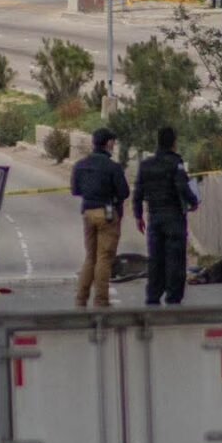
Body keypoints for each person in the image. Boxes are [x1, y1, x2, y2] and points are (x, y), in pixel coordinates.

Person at [133, 127, 199, 306]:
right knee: (175, 258)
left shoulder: (146, 165)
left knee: (156, 258)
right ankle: (173, 296)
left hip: (154, 217)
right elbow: (182, 186)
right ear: (174, 143)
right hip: (174, 217)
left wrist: (138, 216)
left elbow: (138, 192)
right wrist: (194, 202)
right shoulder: (175, 162)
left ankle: (153, 296)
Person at [72, 128, 129, 309]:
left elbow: (75, 190)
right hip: (107, 214)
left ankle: (81, 300)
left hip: (87, 212)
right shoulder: (113, 167)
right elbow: (124, 192)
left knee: (90, 257)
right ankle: (101, 301)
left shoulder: (80, 165)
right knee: (104, 258)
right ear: (109, 143)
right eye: (113, 142)